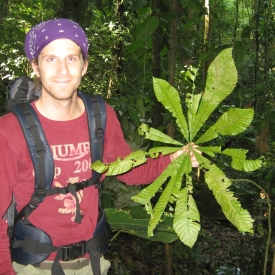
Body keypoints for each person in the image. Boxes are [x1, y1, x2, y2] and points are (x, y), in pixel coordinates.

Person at [0, 18, 199, 275]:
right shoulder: (10, 130)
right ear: (35, 67)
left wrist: (175, 158)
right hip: (33, 267)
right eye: (51, 59)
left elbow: (128, 169)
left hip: (92, 263)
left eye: (71, 58)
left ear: (84, 66)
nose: (63, 70)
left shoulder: (100, 116)